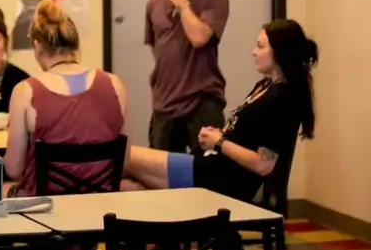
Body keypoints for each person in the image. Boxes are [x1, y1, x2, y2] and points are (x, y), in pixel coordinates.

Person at [124, 18, 317, 204]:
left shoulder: (282, 99)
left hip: (224, 179)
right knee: (124, 184)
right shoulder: (265, 86)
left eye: (260, 46)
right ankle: (161, 235)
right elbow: (244, 134)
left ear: (280, 52)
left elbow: (264, 164)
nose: (253, 52)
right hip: (211, 165)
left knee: (124, 156)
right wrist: (218, 135)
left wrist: (219, 142)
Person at [5, 0, 127, 196]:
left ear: (37, 45)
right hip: (101, 205)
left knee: (0, 188)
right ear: (74, 42)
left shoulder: (25, 91)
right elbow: (124, 162)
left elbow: (13, 168)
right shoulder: (115, 84)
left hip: (46, 210)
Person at [145, 0, 230, 155]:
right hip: (164, 101)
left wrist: (181, 0)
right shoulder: (154, 2)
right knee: (161, 175)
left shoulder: (216, 0)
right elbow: (158, 48)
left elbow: (199, 38)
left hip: (202, 100)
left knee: (208, 171)